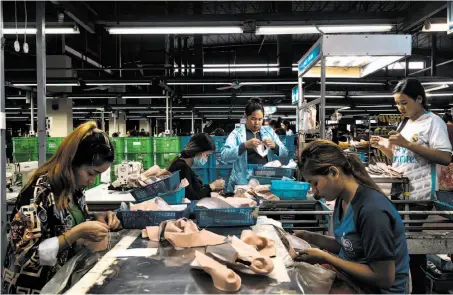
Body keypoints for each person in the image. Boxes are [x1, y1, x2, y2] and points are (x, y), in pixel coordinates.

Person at [2, 121, 121, 294]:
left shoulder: (74, 190)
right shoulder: (39, 193)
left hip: (59, 281)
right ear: (72, 162)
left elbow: (66, 223)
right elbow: (24, 256)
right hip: (33, 288)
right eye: (90, 173)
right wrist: (76, 233)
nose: (92, 180)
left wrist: (95, 219)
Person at [295, 140, 410, 293]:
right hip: (353, 282)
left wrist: (326, 257)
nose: (314, 192)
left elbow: (384, 278)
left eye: (315, 183)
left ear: (334, 172)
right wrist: (309, 237)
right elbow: (351, 247)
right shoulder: (342, 199)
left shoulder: (372, 211)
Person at [370, 78, 452, 293]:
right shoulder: (405, 123)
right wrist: (386, 147)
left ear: (419, 99)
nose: (400, 107)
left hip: (420, 194)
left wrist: (406, 143)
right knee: (403, 244)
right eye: (397, 103)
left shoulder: (434, 122)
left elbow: (444, 157)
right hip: (401, 192)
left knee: (410, 246)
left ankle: (418, 290)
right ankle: (407, 287)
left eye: (404, 102)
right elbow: (401, 158)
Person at [221, 98, 288, 192]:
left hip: (265, 179)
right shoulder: (237, 133)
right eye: (253, 119)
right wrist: (244, 146)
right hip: (243, 181)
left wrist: (275, 146)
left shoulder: (269, 132)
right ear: (246, 116)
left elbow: (285, 153)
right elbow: (224, 155)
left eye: (260, 119)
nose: (257, 123)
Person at [168, 133, 225, 200]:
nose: (207, 159)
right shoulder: (182, 167)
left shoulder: (183, 165)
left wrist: (210, 189)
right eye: (207, 155)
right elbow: (191, 196)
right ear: (198, 151)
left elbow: (195, 191)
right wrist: (211, 186)